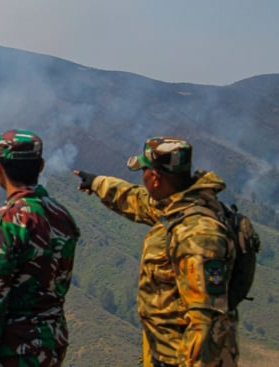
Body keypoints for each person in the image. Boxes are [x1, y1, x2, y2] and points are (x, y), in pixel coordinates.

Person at [74, 136, 238, 367]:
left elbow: (205, 321)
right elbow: (138, 201)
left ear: (156, 177)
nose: (142, 178)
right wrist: (97, 183)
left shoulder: (197, 235)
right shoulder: (181, 206)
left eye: (144, 171)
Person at [0, 129, 80, 367]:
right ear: (41, 166)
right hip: (51, 345)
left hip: (14, 352)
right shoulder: (62, 216)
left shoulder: (6, 223)